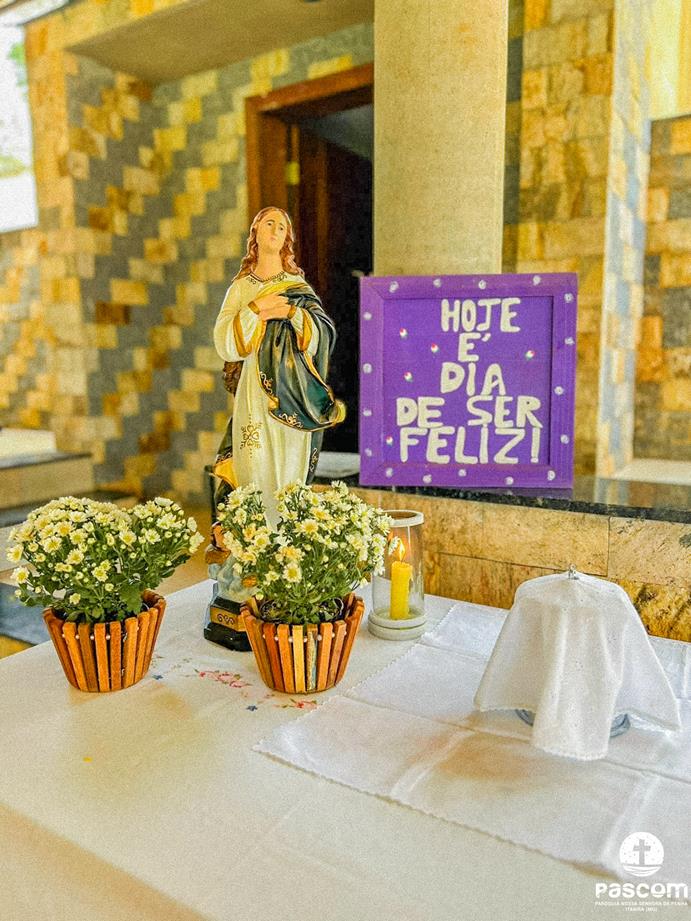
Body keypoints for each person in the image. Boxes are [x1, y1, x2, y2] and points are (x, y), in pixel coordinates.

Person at [212, 206, 345, 520]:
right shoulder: (241, 288)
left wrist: (290, 313)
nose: (274, 230)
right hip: (255, 392)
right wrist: (256, 308)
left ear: (287, 240)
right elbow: (225, 341)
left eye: (281, 227)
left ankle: (286, 532)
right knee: (253, 460)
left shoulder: (297, 287)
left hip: (293, 391)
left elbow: (323, 334)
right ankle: (255, 534)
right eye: (268, 223)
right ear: (255, 233)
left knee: (288, 462)